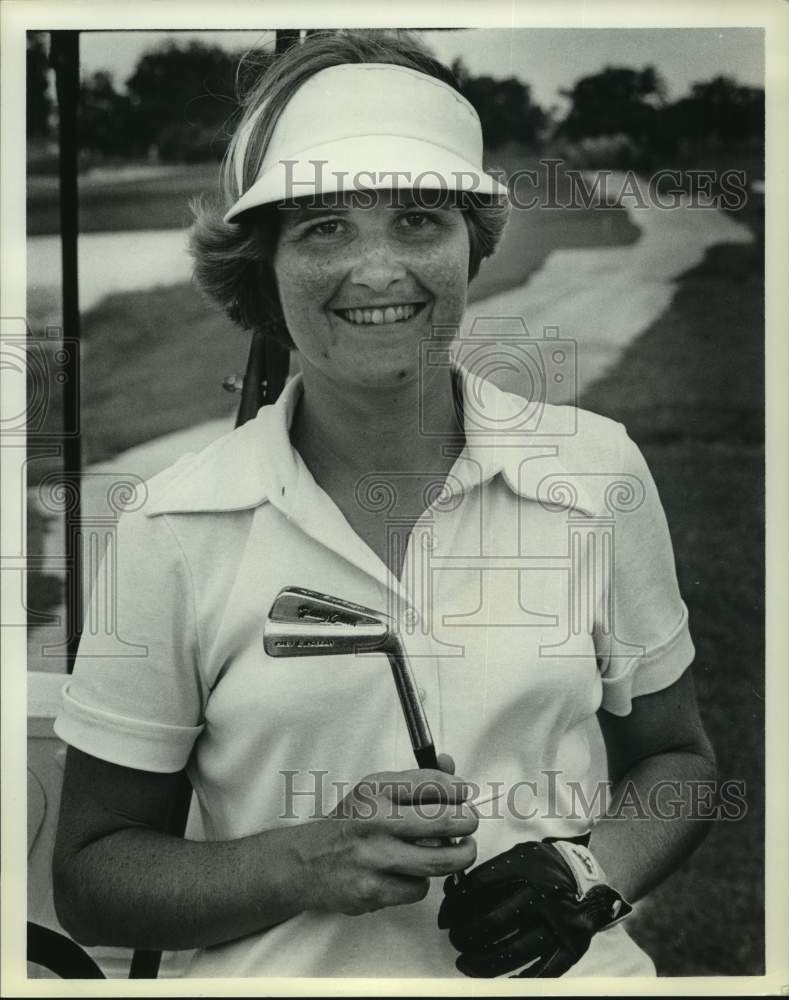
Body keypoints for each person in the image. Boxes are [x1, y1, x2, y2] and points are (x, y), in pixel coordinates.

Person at [52, 29, 716, 979]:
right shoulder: (171, 524)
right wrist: (303, 862)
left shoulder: (594, 470)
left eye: (418, 219)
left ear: (470, 245)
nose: (378, 271)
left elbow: (677, 763)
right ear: (265, 263)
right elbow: (91, 876)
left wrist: (588, 870)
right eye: (324, 225)